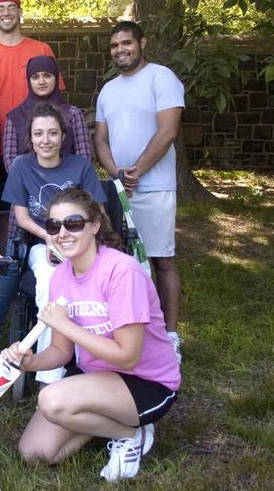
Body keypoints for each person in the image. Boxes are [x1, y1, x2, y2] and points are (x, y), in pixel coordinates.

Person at [1, 187, 180, 482]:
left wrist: (67, 325)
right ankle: (106, 420)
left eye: (73, 223)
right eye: (53, 225)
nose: (62, 233)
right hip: (95, 378)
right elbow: (62, 352)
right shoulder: (60, 277)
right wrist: (29, 364)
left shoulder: (122, 272)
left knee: (51, 400)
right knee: (34, 453)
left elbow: (128, 357)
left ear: (95, 226)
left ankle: (130, 434)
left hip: (146, 382)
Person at [0, 103, 107, 385]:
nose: (46, 140)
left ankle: (94, 361)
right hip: (41, 242)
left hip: (81, 243)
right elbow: (20, 216)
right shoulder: (21, 166)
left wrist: (75, 242)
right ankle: (49, 374)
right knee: (49, 282)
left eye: (52, 133)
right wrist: (50, 238)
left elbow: (99, 213)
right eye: (39, 134)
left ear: (63, 136)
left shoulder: (80, 166)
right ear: (30, 138)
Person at [93, 21, 185, 362]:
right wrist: (118, 173)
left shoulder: (162, 78)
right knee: (123, 261)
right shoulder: (108, 91)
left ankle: (170, 333)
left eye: (126, 43)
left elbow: (168, 131)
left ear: (141, 43)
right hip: (120, 189)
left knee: (162, 260)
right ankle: (130, 330)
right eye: (115, 45)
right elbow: (100, 139)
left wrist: (138, 171)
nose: (120, 49)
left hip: (155, 187)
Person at [0, 0, 63, 253]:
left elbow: (57, 98)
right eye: (1, 9)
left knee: (48, 204)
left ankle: (48, 256)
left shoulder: (41, 50)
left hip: (42, 142)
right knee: (5, 210)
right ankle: (6, 262)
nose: (7, 13)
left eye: (12, 7)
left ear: (20, 12)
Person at [4, 55, 92, 168]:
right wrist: (30, 181)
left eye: (47, 76)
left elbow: (84, 155)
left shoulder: (73, 114)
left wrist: (70, 181)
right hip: (28, 183)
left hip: (69, 182)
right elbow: (10, 160)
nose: (41, 81)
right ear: (29, 81)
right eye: (35, 77)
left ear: (56, 78)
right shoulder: (15, 116)